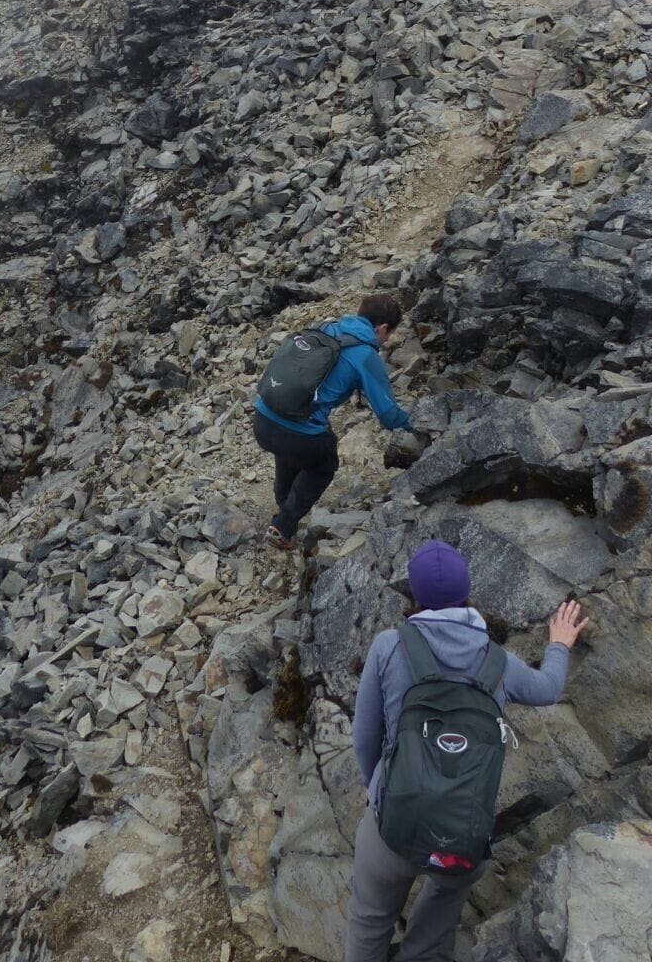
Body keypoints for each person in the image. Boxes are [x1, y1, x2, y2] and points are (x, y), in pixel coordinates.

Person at [347, 540, 589, 962]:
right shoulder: (497, 662)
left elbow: (364, 736)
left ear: (416, 596)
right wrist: (560, 645)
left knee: (369, 920)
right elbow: (548, 689)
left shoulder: (389, 646)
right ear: (467, 592)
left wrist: (380, 794)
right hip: (461, 837)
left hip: (390, 828)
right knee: (444, 901)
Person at [253, 294, 411, 551]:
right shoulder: (365, 354)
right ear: (382, 328)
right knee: (323, 463)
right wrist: (419, 425)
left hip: (262, 419)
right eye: (389, 334)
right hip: (293, 434)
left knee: (300, 437)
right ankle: (283, 526)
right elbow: (388, 415)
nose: (386, 340)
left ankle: (284, 501)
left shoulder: (326, 327)